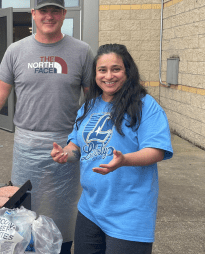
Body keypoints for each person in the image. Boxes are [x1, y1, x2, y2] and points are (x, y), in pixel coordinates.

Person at [0, 0, 94, 253]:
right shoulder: (16, 50)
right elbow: (1, 90)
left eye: (55, 10)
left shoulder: (81, 51)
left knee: (63, 212)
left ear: (64, 14)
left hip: (66, 147)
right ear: (33, 14)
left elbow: (93, 100)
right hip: (26, 145)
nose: (49, 16)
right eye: (43, 11)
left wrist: (83, 140)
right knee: (24, 211)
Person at [51, 43, 174, 254]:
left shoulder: (145, 105)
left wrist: (125, 159)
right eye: (102, 70)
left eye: (116, 69)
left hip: (129, 212)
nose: (109, 76)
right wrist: (64, 154)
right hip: (90, 208)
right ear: (95, 74)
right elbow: (77, 146)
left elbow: (156, 150)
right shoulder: (88, 106)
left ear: (127, 71)